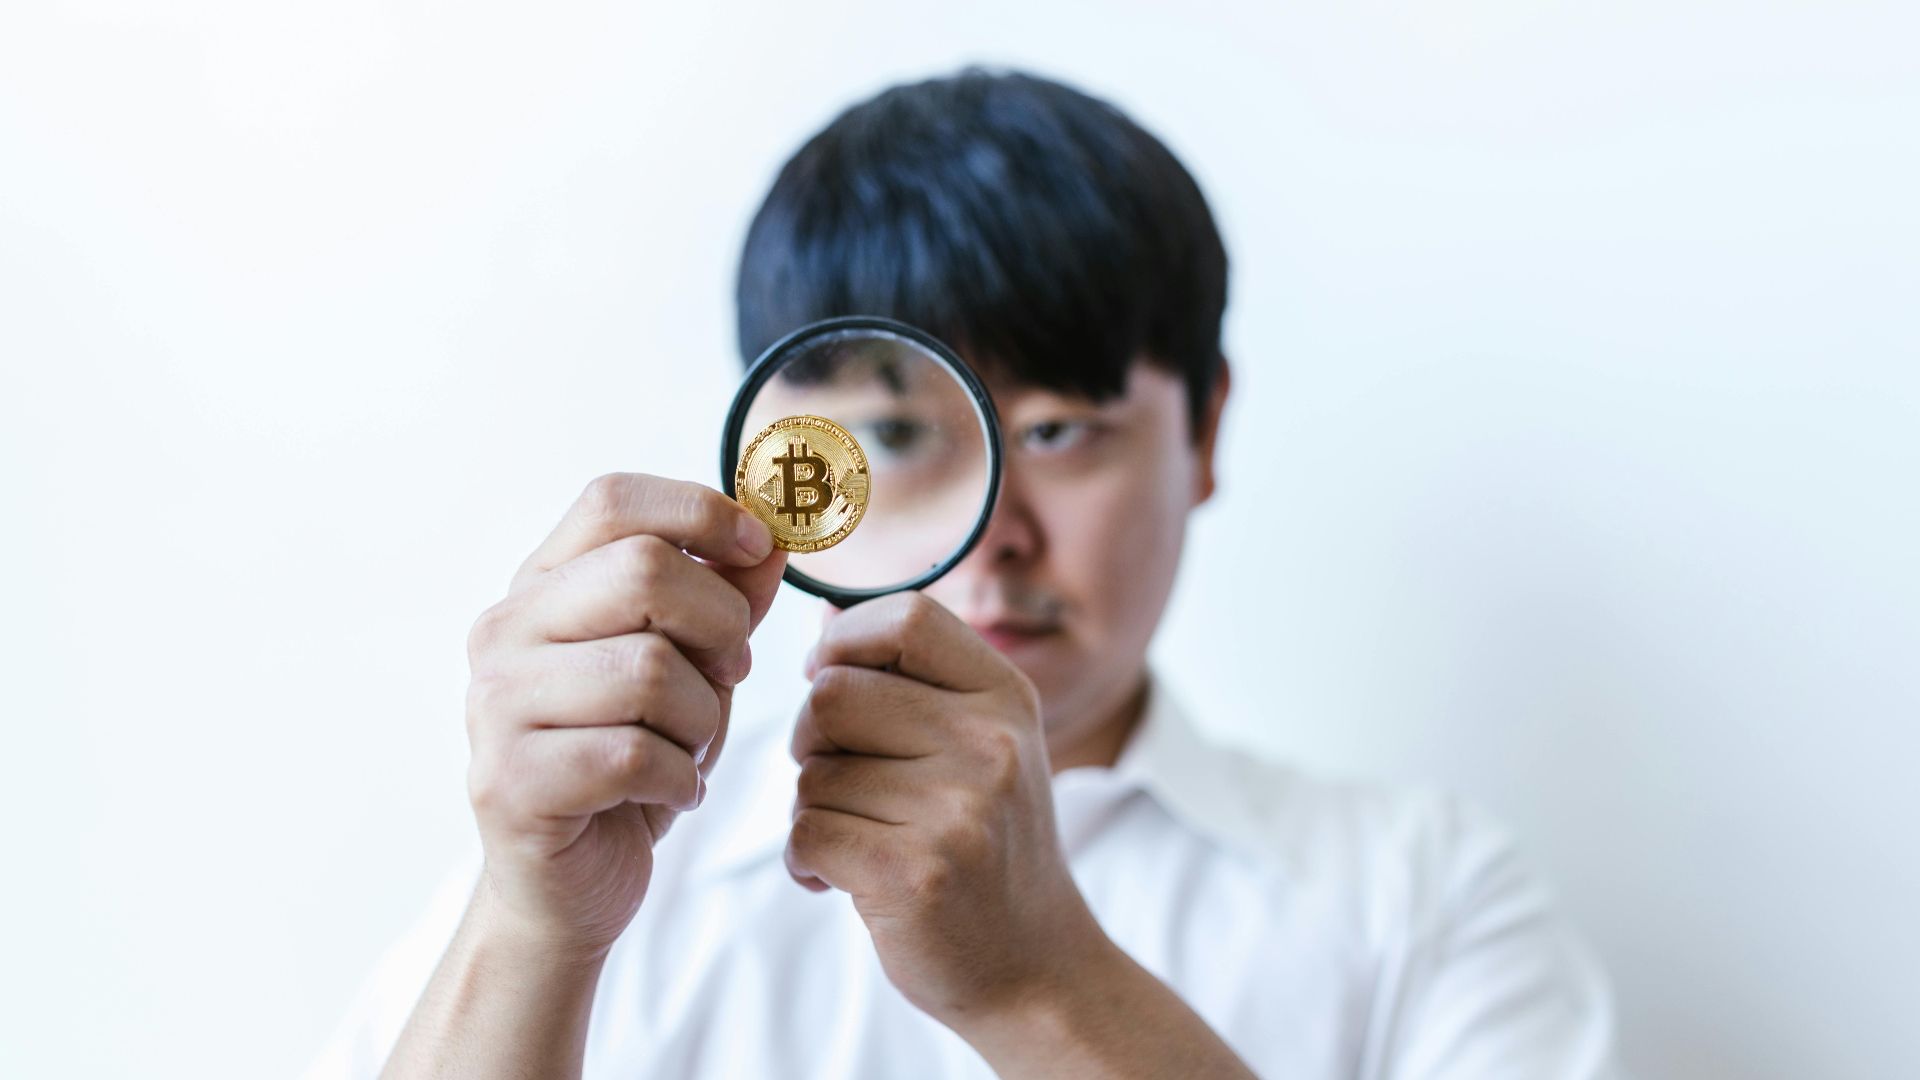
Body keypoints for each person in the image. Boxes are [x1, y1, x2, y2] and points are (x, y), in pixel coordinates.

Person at [306, 66, 1622, 1079]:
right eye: (892, 434)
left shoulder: (1426, 897)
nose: (997, 534)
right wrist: (537, 925)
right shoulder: (599, 856)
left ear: (1207, 431)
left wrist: (1038, 978)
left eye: (1057, 432)